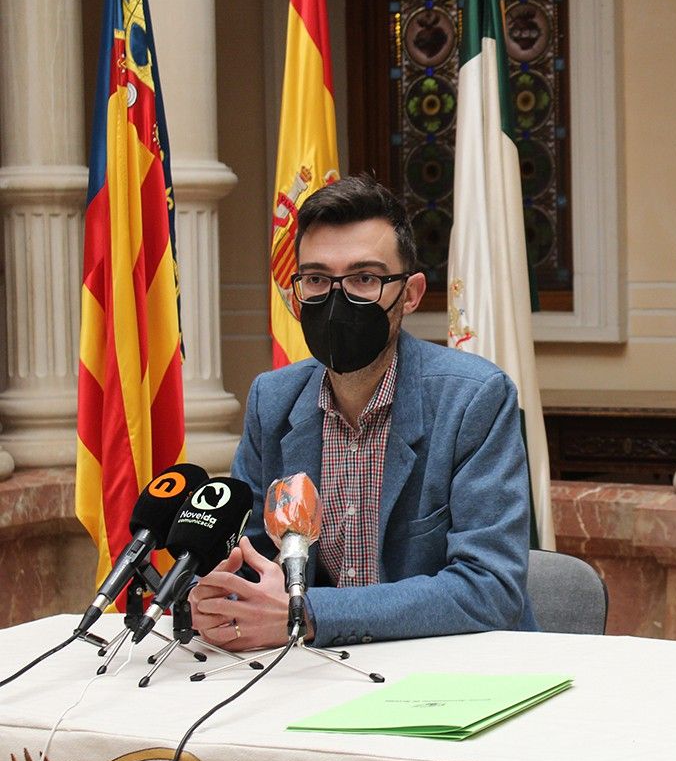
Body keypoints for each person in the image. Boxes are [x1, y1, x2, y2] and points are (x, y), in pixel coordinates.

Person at [190, 175, 537, 650]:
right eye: (317, 279)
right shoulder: (273, 400)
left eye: (364, 279)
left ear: (410, 294)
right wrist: (217, 597)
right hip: (317, 669)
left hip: (454, 666)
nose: (337, 300)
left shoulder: (473, 399)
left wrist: (309, 613)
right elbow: (249, 557)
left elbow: (490, 588)